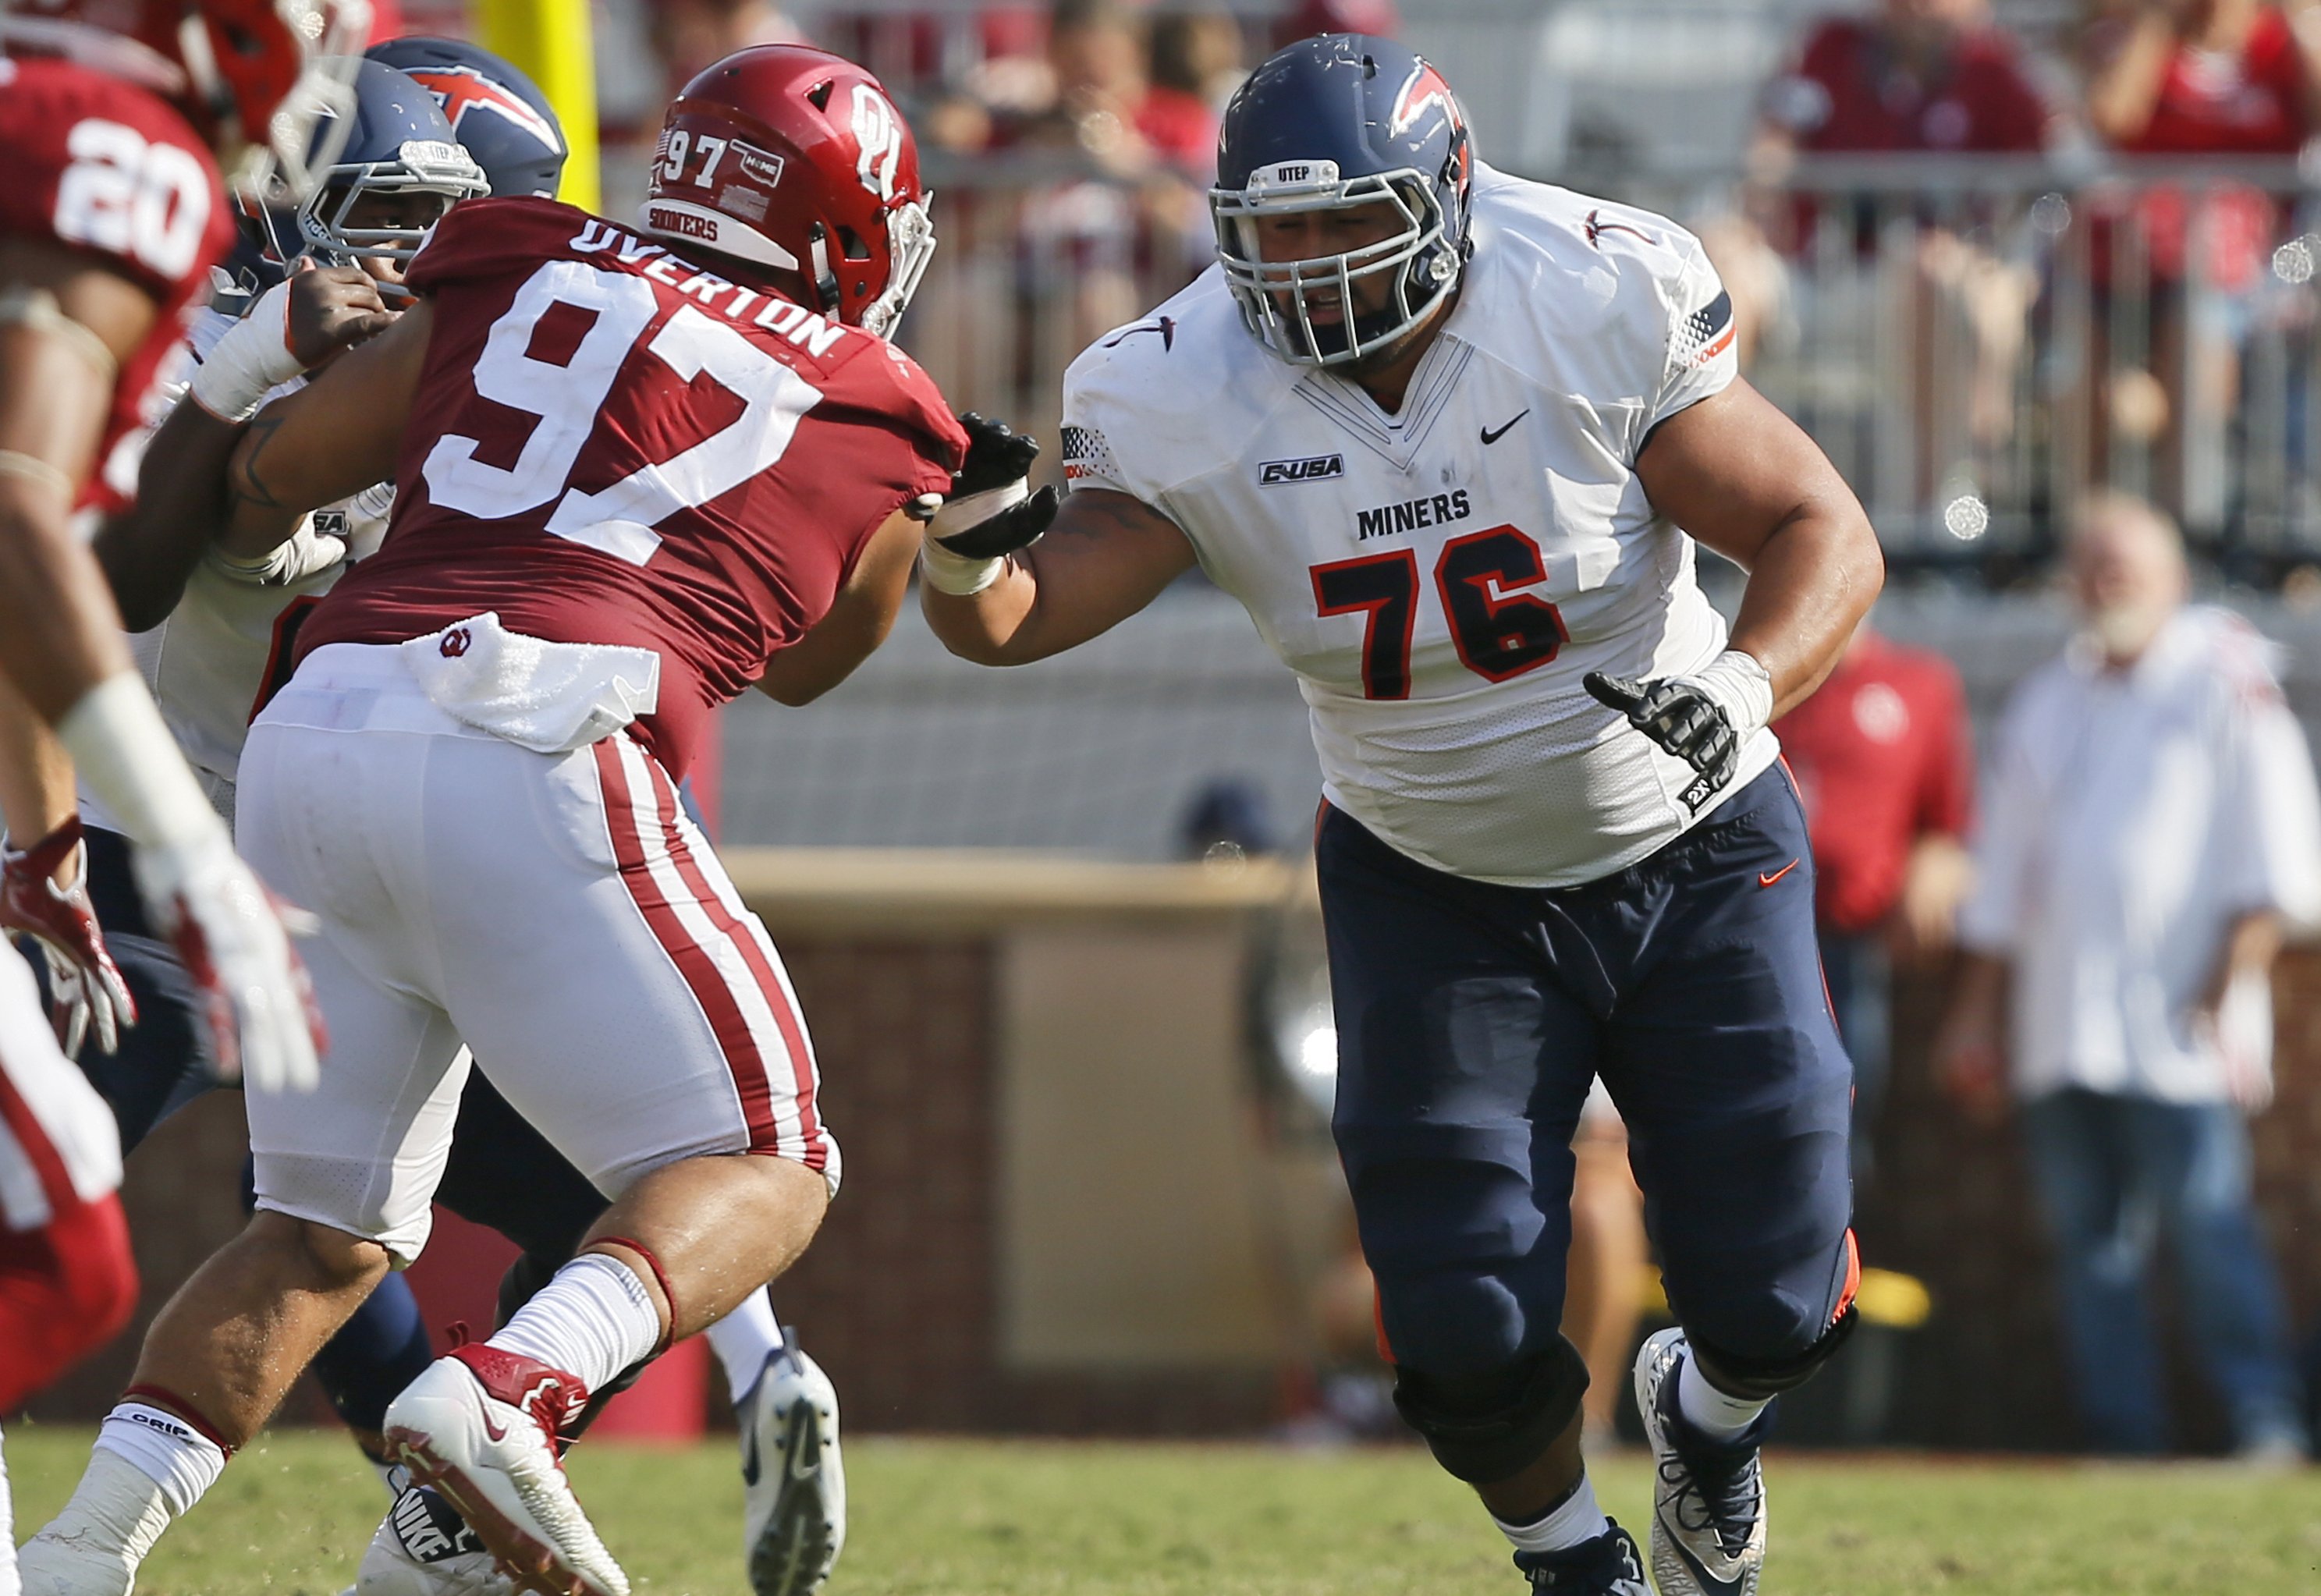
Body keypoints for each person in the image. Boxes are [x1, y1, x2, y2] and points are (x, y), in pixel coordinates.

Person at [921, 34, 1883, 1596]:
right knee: (1455, 1317)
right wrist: (962, 549)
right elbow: (1015, 617)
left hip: (1691, 838)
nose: (1300, 267)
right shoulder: (1172, 384)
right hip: (1430, 882)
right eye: (1271, 232)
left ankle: (1705, 1429)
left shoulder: (1579, 289)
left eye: (1338, 224)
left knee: (1781, 1287)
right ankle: (1574, 1566)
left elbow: (1810, 523)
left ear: (1443, 195)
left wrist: (1750, 684)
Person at [20, 43, 967, 1596]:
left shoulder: (512, 265)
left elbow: (265, 468)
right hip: (532, 723)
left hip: (309, 741)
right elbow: (818, 664)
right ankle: (507, 1393)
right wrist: (958, 516)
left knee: (321, 1238)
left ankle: (82, 1561)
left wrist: (267, 411)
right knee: (772, 1152)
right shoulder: (875, 392)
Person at [0, 0, 361, 1587]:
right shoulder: (116, 153)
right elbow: (20, 525)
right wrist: (195, 865)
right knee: (59, 1255)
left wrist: (41, 844)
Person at [1934, 491, 2320, 1459]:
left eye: (2128, 569)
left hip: (2177, 1021)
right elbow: (2002, 877)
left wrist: (2229, 982)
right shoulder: (2049, 694)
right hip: (2061, 1016)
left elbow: (2273, 860)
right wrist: (1974, 1015)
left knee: (2207, 1227)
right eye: (2095, 568)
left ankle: (2258, 1420)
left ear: (2171, 579)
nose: (2109, 585)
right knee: (2088, 1247)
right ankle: (2120, 1434)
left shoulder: (2224, 679)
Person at [1773, 622, 1975, 1183]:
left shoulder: (1917, 684)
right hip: (1748, 938)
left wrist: (1933, 864)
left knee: (1835, 1122)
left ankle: (1834, 1261)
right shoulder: (1753, 677)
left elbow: (1948, 823)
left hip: (1846, 944)